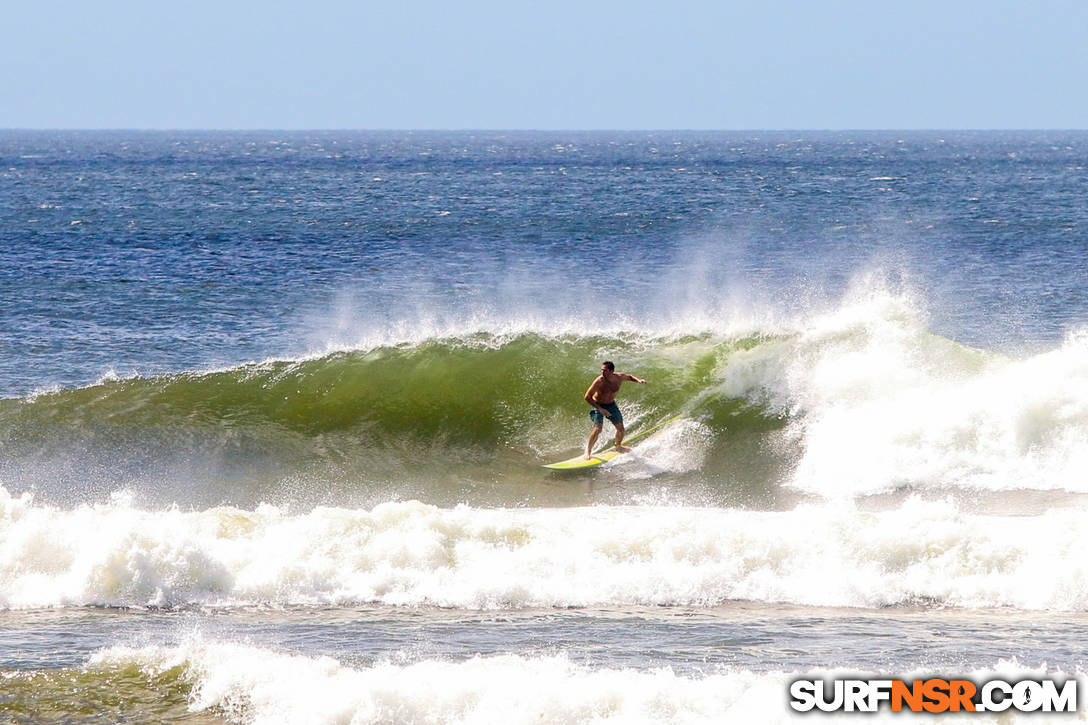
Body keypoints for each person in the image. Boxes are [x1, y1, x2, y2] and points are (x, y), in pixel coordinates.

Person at [584, 361, 647, 458]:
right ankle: (588, 451)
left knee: (621, 429)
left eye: (605, 371)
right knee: (598, 429)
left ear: (611, 371)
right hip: (598, 405)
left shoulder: (619, 377)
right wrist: (600, 409)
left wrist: (639, 380)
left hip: (611, 405)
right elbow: (587, 397)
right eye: (602, 370)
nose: (602, 373)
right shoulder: (599, 381)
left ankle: (618, 446)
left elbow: (630, 377)